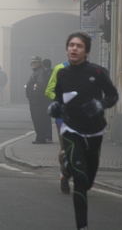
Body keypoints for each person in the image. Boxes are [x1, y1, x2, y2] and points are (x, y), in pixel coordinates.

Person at [47, 31, 118, 230]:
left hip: (94, 131)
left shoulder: (97, 72)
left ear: (86, 51)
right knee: (80, 178)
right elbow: (59, 99)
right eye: (71, 45)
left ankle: (67, 168)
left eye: (78, 46)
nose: (74, 48)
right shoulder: (62, 73)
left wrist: (101, 103)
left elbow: (113, 95)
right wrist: (54, 107)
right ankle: (82, 226)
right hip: (71, 129)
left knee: (88, 181)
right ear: (67, 49)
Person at [45, 59, 71, 194]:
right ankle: (64, 176)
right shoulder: (59, 68)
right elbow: (48, 90)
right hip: (63, 116)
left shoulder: (90, 70)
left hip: (81, 117)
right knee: (65, 149)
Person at [25, 56, 48, 144]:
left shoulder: (40, 72)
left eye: (36, 62)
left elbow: (41, 86)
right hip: (35, 100)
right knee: (36, 118)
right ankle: (39, 137)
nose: (34, 64)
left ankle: (41, 138)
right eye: (33, 62)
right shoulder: (37, 72)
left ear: (39, 63)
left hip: (38, 101)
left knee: (39, 119)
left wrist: (35, 97)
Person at [42, 59, 53, 143]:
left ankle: (48, 136)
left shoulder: (46, 74)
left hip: (47, 97)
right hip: (53, 96)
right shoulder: (53, 72)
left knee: (46, 117)